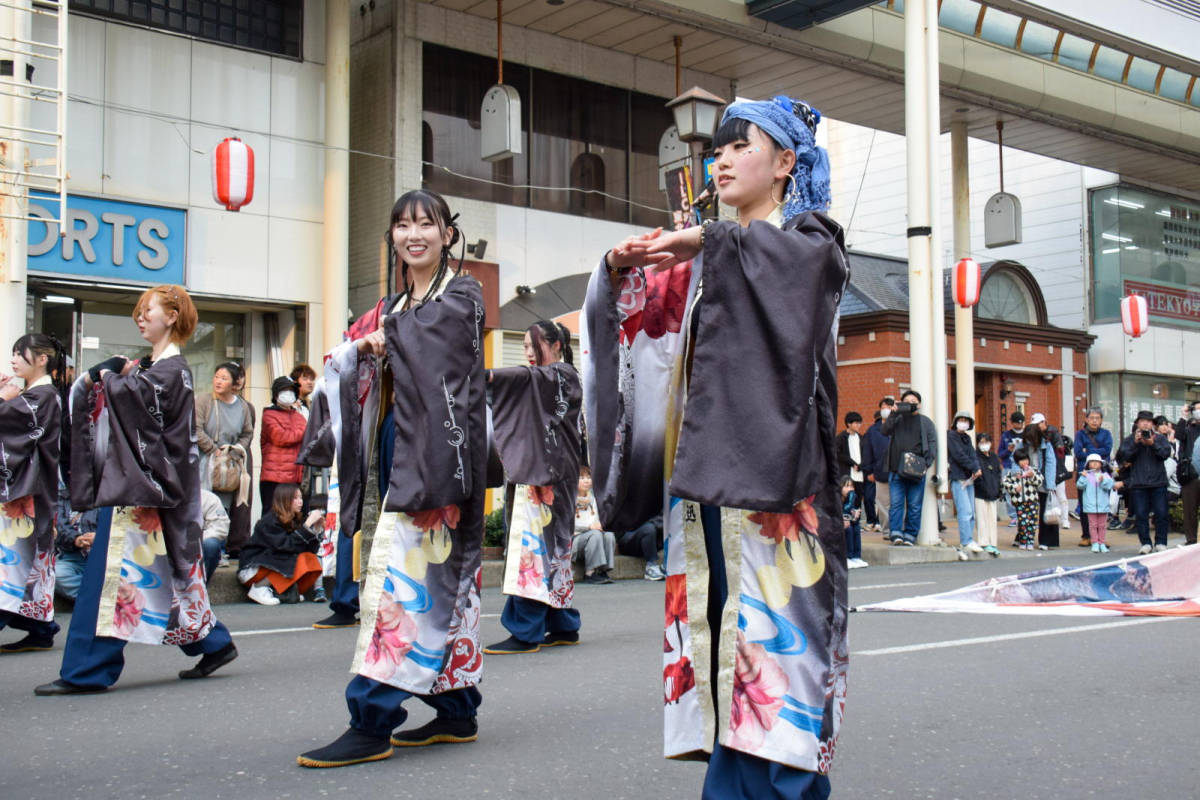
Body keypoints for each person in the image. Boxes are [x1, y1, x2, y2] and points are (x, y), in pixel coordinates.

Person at [586, 96, 847, 798]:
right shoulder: (705, 258)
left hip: (781, 491)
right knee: (728, 641)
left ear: (787, 163)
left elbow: (792, 275)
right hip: (708, 482)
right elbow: (638, 339)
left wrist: (702, 240)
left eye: (742, 145)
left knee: (778, 652)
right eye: (719, 149)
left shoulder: (809, 241)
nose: (723, 159)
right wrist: (618, 274)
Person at [298, 190, 486, 768]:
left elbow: (440, 339)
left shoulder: (463, 293)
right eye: (402, 224)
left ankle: (372, 717)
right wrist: (364, 347)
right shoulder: (392, 305)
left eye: (426, 224)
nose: (414, 234)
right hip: (397, 442)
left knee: (400, 584)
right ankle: (456, 708)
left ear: (447, 235)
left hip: (439, 451)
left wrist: (383, 340)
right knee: (438, 578)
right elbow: (352, 355)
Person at [36, 285, 237, 695]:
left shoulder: (170, 370)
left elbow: (138, 407)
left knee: (111, 581)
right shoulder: (158, 369)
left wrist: (106, 375)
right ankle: (212, 642)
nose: (141, 317)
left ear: (174, 315)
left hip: (141, 490)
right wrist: (118, 377)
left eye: (150, 310)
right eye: (140, 311)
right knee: (157, 575)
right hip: (146, 488)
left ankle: (88, 670)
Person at [484, 320, 584, 655]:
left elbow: (523, 380)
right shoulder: (548, 378)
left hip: (549, 475)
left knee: (534, 545)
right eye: (524, 346)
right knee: (553, 548)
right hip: (551, 471)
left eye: (533, 345)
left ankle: (525, 629)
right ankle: (563, 624)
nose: (528, 353)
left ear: (556, 345)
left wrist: (487, 377)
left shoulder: (560, 374)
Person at [0, 333, 67, 654]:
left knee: (15, 561)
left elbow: (11, 425)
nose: (13, 359)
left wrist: (4, 399)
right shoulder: (32, 395)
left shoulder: (44, 396)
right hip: (26, 492)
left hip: (27, 494)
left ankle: (35, 627)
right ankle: (40, 629)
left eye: (19, 354)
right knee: (29, 563)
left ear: (42, 359)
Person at [195, 362, 255, 558]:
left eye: (224, 378)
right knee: (202, 504)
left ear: (235, 383)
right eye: (216, 376)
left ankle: (219, 550)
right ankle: (200, 548)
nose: (218, 381)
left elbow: (247, 433)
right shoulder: (203, 401)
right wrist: (213, 450)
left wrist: (235, 450)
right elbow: (196, 428)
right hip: (204, 461)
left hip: (229, 464)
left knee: (224, 505)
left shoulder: (243, 406)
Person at [238, 483, 324, 605]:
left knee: (311, 561)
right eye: (295, 498)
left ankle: (282, 591)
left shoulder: (295, 518)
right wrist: (306, 526)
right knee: (294, 556)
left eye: (301, 498)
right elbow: (285, 546)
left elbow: (310, 550)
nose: (300, 502)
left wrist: (316, 527)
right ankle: (259, 588)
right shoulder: (269, 521)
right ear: (284, 499)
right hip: (253, 568)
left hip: (273, 564)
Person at [883, 390, 937, 546]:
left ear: (919, 405)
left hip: (917, 469)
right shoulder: (897, 418)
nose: (910, 403)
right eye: (906, 400)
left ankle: (910, 535)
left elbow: (933, 444)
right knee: (896, 503)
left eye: (913, 401)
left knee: (914, 505)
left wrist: (927, 463)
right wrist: (893, 414)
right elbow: (884, 431)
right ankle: (896, 533)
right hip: (895, 469)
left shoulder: (925, 422)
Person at [1117, 410, 1172, 555]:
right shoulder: (1130, 439)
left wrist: (1153, 444)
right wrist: (1136, 443)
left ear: (1153, 424)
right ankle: (1145, 543)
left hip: (1158, 482)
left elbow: (1165, 454)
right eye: (1142, 421)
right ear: (1137, 423)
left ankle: (1161, 542)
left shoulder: (1160, 438)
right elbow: (1125, 457)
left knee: (1161, 514)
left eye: (1148, 421)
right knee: (1141, 515)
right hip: (1139, 483)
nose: (1145, 423)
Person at [260, 376, 307, 512]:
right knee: (272, 516)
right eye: (284, 390)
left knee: (292, 518)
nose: (288, 393)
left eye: (291, 390)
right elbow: (281, 437)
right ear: (276, 395)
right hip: (273, 478)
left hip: (294, 477)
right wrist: (304, 431)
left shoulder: (299, 416)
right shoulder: (269, 415)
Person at [1073, 407, 1113, 546]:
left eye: (1097, 418)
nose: (1094, 421)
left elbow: (1107, 451)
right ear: (1086, 419)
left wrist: (1088, 451)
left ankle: (1100, 538)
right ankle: (1086, 536)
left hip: (1101, 474)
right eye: (1092, 418)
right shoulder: (1080, 434)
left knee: (1102, 505)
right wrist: (1097, 453)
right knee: (1085, 505)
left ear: (1101, 420)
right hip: (1085, 473)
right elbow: (1078, 452)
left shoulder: (1106, 433)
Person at [53, 480, 98, 601]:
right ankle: (94, 601)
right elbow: (57, 525)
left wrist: (100, 538)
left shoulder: (111, 495)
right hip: (72, 557)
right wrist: (75, 539)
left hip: (104, 557)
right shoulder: (62, 497)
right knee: (57, 575)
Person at [571, 466, 616, 585]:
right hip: (574, 540)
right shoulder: (569, 499)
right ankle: (589, 573)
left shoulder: (593, 499)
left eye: (588, 477)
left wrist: (601, 525)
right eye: (581, 478)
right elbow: (567, 526)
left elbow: (598, 519)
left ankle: (602, 570)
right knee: (595, 534)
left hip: (591, 536)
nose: (586, 481)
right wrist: (589, 527)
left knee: (608, 534)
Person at [947, 410, 983, 554]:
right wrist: (974, 467)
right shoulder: (951, 436)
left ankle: (969, 539)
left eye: (966, 420)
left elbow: (973, 454)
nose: (964, 423)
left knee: (971, 512)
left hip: (969, 478)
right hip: (958, 477)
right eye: (961, 420)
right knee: (965, 511)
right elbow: (958, 455)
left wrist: (976, 467)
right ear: (955, 422)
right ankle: (966, 541)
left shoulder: (967, 438)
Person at [1022, 422, 1058, 549]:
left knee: (1045, 512)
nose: (1029, 441)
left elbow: (1050, 465)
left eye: (1031, 438)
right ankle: (1024, 539)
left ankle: (1045, 541)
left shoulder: (1046, 446)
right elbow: (1014, 460)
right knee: (1027, 513)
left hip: (1043, 483)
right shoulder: (1022, 445)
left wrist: (1050, 485)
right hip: (1027, 483)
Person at [862, 399, 894, 535]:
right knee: (883, 504)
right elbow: (867, 450)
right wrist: (868, 470)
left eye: (888, 406)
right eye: (883, 407)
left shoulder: (899, 426)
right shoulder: (873, 430)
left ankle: (898, 530)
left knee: (898, 503)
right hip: (880, 471)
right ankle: (887, 531)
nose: (885, 409)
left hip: (899, 472)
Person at [1003, 450, 1044, 551]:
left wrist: (1032, 476)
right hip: (1020, 501)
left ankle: (1030, 542)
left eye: (1026, 459)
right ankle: (1023, 541)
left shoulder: (1033, 470)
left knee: (1032, 522)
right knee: (1022, 522)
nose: (1024, 462)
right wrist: (1014, 487)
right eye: (1021, 460)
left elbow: (1040, 482)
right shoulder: (1013, 472)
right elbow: (1005, 483)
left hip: (1033, 500)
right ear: (1017, 461)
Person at [1076, 454, 1114, 553]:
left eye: (1097, 462)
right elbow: (1080, 486)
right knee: (1093, 525)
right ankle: (1095, 543)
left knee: (1102, 525)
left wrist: (1103, 481)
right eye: (1092, 462)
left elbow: (1109, 486)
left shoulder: (1105, 475)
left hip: (1103, 505)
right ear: (1088, 465)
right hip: (1090, 505)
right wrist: (1083, 477)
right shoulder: (1086, 475)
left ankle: (1102, 543)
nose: (1095, 463)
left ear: (1101, 464)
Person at [973, 433, 1003, 556]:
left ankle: (992, 543)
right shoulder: (976, 457)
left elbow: (998, 474)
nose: (984, 445)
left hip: (992, 492)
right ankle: (984, 542)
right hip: (980, 492)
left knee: (991, 519)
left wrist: (998, 490)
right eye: (981, 442)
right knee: (982, 518)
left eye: (986, 442)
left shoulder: (994, 457)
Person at [1177, 402, 1200, 545]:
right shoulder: (1189, 429)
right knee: (1190, 511)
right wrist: (1183, 416)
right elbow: (1178, 434)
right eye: (1196, 409)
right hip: (1191, 476)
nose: (1198, 412)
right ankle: (1191, 541)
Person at [997, 411, 1026, 525]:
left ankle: (1023, 514)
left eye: (1020, 424)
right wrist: (1008, 450)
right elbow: (1000, 453)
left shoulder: (1026, 434)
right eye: (1016, 423)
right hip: (1008, 466)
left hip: (1023, 467)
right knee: (1009, 491)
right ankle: (1013, 516)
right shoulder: (1006, 436)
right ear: (1012, 423)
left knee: (1023, 490)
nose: (1019, 426)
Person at [618, 514, 666, 581]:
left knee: (668, 527)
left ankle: (667, 565)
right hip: (628, 538)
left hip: (652, 538)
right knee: (649, 528)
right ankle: (651, 567)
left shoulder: (656, 504)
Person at [835, 411, 865, 513]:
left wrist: (861, 465)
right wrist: (852, 463)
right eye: (856, 423)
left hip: (859, 473)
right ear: (849, 424)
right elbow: (838, 454)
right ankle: (845, 518)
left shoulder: (861, 438)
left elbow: (865, 454)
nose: (858, 425)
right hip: (847, 472)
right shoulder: (841, 437)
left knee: (858, 497)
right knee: (846, 497)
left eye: (859, 423)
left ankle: (856, 521)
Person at [200, 489, 230, 584]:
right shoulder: (163, 495)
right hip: (168, 546)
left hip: (196, 545)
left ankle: (200, 589)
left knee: (211, 545)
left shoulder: (209, 498)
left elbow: (220, 528)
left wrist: (194, 540)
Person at [842, 477, 866, 569]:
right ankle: (848, 556)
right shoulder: (837, 499)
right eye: (846, 486)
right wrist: (852, 497)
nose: (850, 489)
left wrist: (854, 517)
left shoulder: (849, 499)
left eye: (852, 486)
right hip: (835, 526)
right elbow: (845, 510)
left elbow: (849, 515)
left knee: (856, 526)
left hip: (845, 523)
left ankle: (856, 556)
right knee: (848, 527)